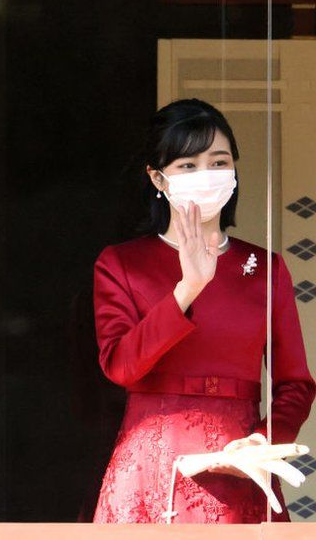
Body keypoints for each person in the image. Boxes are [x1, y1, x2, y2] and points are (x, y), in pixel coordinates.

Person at [92, 98, 315, 523]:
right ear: (158, 178)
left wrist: (262, 442)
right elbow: (121, 368)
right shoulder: (121, 263)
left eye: (219, 162)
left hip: (241, 464)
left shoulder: (265, 268)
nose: (207, 175)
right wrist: (188, 288)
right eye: (188, 165)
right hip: (152, 468)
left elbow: (296, 385)